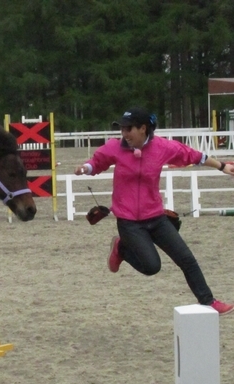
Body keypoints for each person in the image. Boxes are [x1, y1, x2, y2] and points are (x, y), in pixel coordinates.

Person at [74, 106, 234, 315]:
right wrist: (85, 168)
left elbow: (194, 156)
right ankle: (121, 248)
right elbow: (97, 162)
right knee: (151, 266)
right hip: (129, 221)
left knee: (186, 258)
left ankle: (208, 300)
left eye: (128, 129)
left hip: (156, 217)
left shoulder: (162, 147)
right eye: (121, 129)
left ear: (143, 129)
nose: (124, 134)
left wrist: (222, 166)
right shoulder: (115, 147)